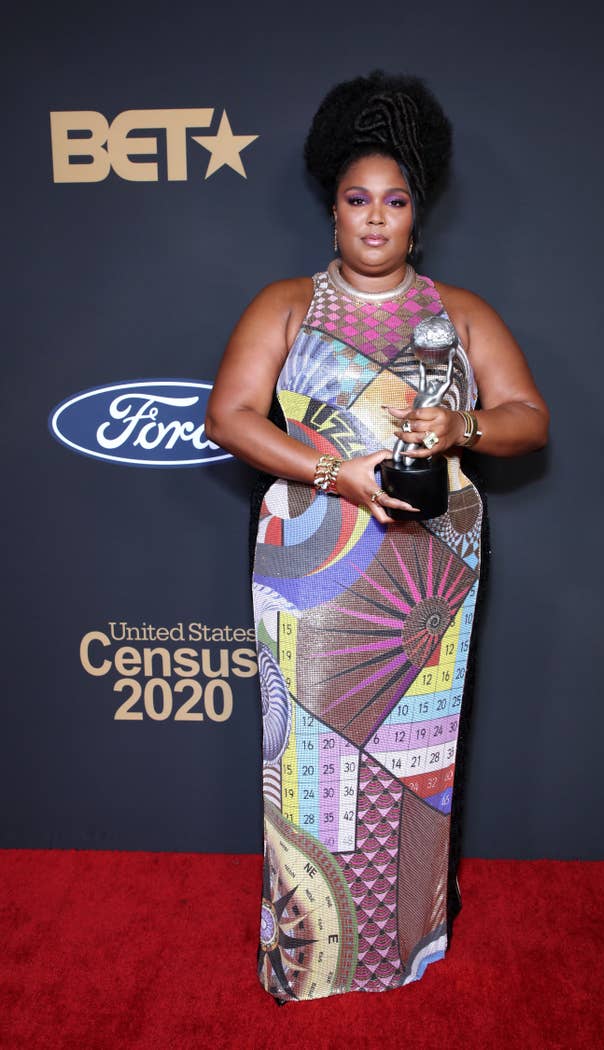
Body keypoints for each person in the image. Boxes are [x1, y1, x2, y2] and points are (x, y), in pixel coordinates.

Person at [206, 71, 549, 1003]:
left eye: (393, 201)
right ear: (333, 210)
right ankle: (312, 954)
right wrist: (333, 473)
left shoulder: (462, 312)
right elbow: (228, 418)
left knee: (414, 769)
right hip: (312, 563)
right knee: (307, 761)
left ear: (416, 216)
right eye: (357, 200)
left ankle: (411, 943)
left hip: (428, 576)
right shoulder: (286, 304)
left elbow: (527, 418)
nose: (373, 218)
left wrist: (460, 428)